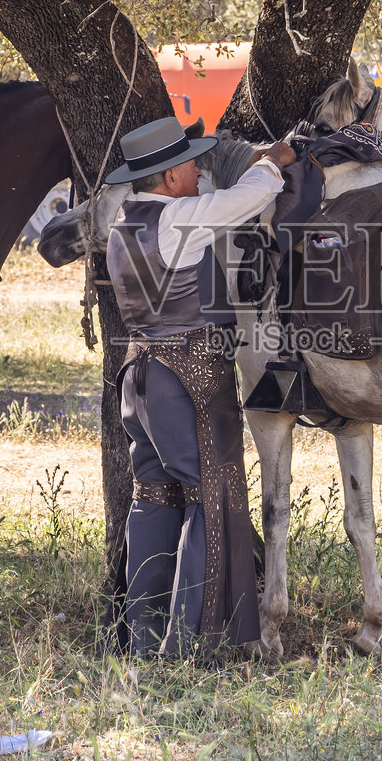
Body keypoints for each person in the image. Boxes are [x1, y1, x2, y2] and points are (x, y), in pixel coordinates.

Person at [104, 116, 296, 657]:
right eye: (189, 166)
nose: (195, 173)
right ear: (167, 177)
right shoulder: (180, 220)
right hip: (187, 375)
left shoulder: (124, 221)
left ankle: (141, 637)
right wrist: (272, 162)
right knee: (207, 497)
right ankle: (188, 646)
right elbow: (248, 197)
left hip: (139, 376)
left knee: (152, 498)